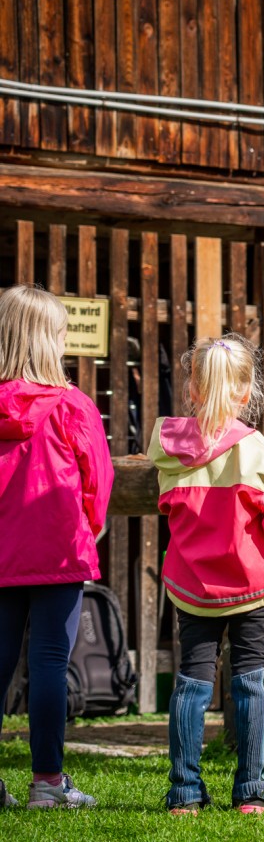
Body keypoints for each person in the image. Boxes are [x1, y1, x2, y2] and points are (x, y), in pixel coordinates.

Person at [150, 333, 264, 815]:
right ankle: (251, 793)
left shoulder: (169, 450)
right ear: (247, 392)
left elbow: (169, 509)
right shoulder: (263, 456)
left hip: (191, 587)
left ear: (193, 389)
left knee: (192, 683)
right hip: (251, 589)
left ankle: (184, 792)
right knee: (251, 680)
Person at [0, 285, 114, 810]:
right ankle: (47, 783)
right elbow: (99, 482)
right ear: (52, 339)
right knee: (49, 663)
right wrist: (88, 529)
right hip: (58, 554)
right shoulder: (73, 406)